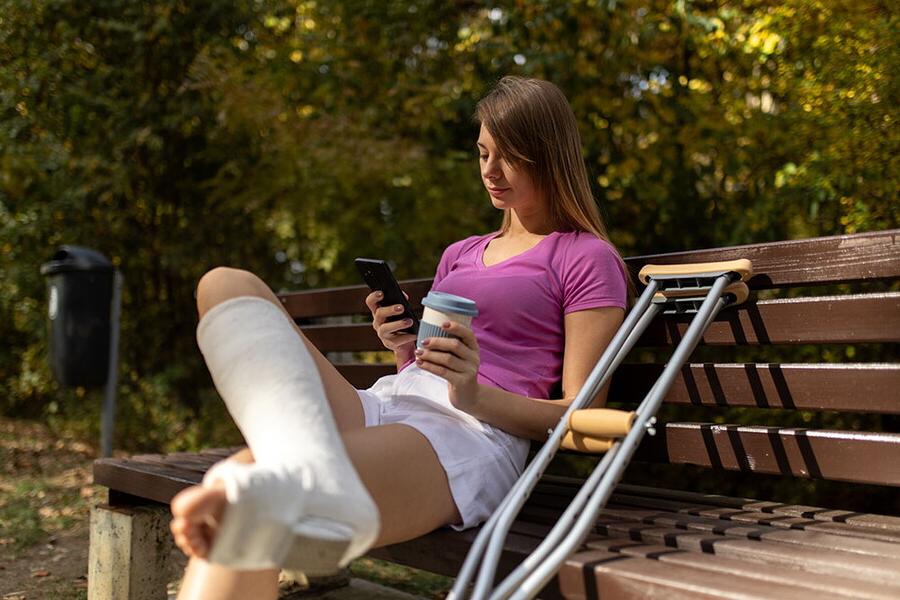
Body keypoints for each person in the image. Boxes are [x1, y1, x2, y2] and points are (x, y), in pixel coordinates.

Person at [168, 76, 628, 600]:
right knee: (226, 284)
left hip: (467, 431)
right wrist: (402, 347)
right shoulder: (461, 252)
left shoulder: (585, 256)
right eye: (482, 154)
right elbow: (428, 361)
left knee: (249, 488)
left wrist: (472, 393)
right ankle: (311, 481)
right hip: (389, 402)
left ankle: (301, 489)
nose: (490, 172)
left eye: (511, 157)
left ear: (547, 156)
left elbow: (581, 415)